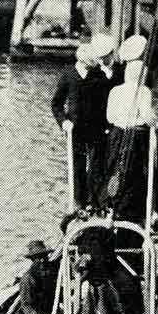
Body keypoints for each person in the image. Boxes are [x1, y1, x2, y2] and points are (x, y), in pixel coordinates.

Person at [50, 42, 112, 210]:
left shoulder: (99, 75)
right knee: (78, 166)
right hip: (75, 129)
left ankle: (96, 202)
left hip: (96, 128)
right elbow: (56, 103)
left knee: (97, 165)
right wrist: (63, 121)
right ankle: (80, 202)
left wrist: (107, 124)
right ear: (83, 61)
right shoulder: (69, 76)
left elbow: (107, 100)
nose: (95, 66)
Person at [104, 35, 155, 223]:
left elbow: (110, 117)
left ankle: (112, 205)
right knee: (135, 171)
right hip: (137, 135)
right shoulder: (144, 91)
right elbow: (148, 116)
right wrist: (155, 124)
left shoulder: (115, 91)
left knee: (115, 168)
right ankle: (132, 210)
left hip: (117, 134)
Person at [17, 240, 57, 314]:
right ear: (33, 260)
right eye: (38, 258)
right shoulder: (28, 279)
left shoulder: (50, 275)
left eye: (44, 257)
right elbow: (26, 306)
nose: (42, 260)